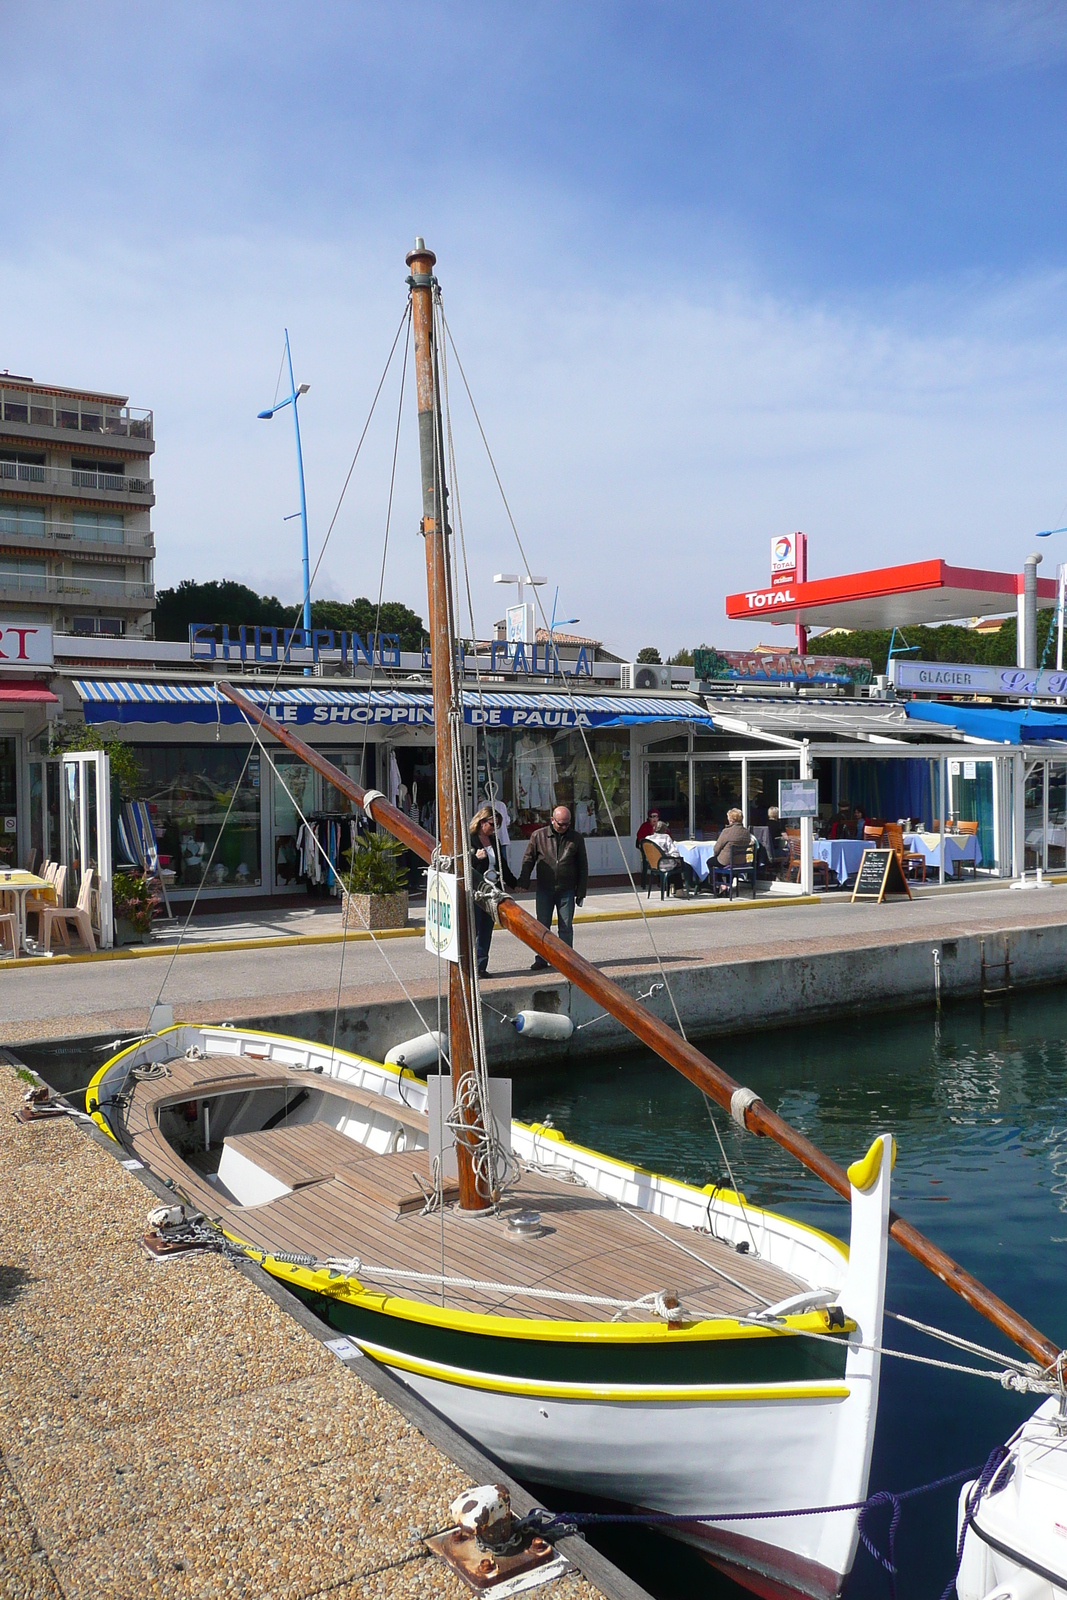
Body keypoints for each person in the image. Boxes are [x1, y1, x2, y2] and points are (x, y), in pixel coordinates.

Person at [518, 805, 588, 969]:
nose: (563, 827)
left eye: (566, 824)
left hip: (567, 889)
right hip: (545, 888)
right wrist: (523, 881)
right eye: (560, 824)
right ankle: (541, 958)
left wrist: (581, 891)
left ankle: (566, 959)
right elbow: (528, 860)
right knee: (542, 926)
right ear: (552, 820)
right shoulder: (538, 836)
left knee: (566, 927)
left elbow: (583, 866)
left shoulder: (576, 838)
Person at [468, 806, 517, 978]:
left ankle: (481, 966)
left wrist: (514, 883)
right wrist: (475, 858)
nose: (493, 828)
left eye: (496, 825)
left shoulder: (494, 840)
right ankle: (469, 966)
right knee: (473, 928)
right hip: (475, 890)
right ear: (482, 822)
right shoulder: (469, 839)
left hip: (492, 889)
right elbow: (458, 863)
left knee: (487, 928)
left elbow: (502, 864)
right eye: (492, 824)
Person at [647, 819, 699, 891]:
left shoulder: (648, 838)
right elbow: (674, 852)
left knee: (674, 864)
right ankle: (680, 889)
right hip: (664, 863)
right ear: (664, 830)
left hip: (653, 865)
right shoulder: (666, 837)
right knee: (683, 864)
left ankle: (669, 886)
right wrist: (678, 860)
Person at [711, 808, 755, 891]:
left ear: (731, 820)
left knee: (710, 862)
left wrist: (716, 854)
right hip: (741, 861)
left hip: (728, 861)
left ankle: (720, 884)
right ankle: (728, 884)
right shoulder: (746, 832)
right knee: (727, 861)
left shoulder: (727, 831)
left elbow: (717, 848)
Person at [635, 808, 661, 888]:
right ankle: (644, 883)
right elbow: (640, 838)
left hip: (660, 850)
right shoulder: (644, 826)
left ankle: (662, 882)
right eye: (652, 816)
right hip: (648, 851)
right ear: (649, 818)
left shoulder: (661, 826)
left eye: (656, 816)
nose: (654, 819)